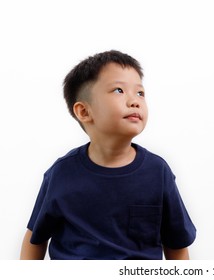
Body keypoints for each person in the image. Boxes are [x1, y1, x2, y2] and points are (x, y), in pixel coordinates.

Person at [20, 50, 196, 260]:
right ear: (84, 112)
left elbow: (176, 245)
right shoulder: (61, 173)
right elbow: (35, 240)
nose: (135, 101)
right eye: (119, 90)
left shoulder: (158, 172)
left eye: (140, 93)